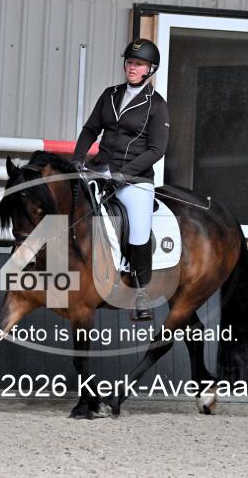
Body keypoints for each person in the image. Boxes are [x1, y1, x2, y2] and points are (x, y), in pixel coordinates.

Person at [71, 38, 170, 321]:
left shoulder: (156, 105)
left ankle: (140, 292)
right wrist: (78, 159)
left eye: (139, 64)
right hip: (100, 169)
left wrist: (124, 175)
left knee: (139, 229)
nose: (132, 67)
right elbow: (90, 130)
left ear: (150, 69)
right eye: (130, 62)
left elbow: (156, 150)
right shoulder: (110, 94)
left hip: (135, 178)